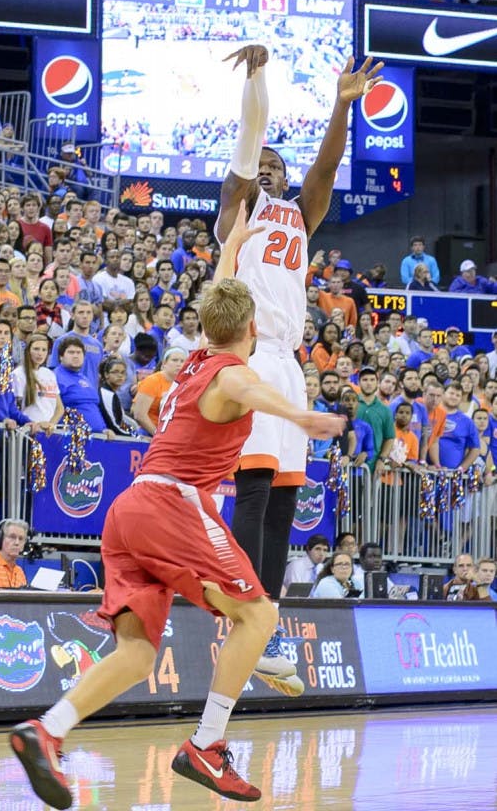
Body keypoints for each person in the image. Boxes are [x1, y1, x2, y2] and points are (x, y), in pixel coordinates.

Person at [9, 268, 344, 808]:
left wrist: (234, 226)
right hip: (172, 502)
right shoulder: (228, 371)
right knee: (258, 615)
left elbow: (226, 275)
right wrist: (300, 415)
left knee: (138, 654)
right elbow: (245, 387)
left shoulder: (191, 361)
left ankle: (46, 731)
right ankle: (207, 744)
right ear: (253, 327)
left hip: (128, 510)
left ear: (206, 325)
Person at [214, 43, 382, 673]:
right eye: (265, 165)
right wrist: (257, 77)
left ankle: (267, 628)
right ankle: (243, 609)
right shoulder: (238, 205)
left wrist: (342, 108)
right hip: (250, 353)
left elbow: (327, 165)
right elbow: (250, 131)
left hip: (288, 362)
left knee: (285, 495)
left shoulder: (300, 214)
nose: (274, 171)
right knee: (254, 488)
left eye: (279, 167)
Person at [131, 347, 186, 436]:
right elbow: (139, 414)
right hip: (150, 431)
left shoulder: (186, 384)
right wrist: (158, 435)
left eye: (182, 361)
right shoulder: (152, 381)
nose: (179, 364)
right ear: (164, 364)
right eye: (174, 360)